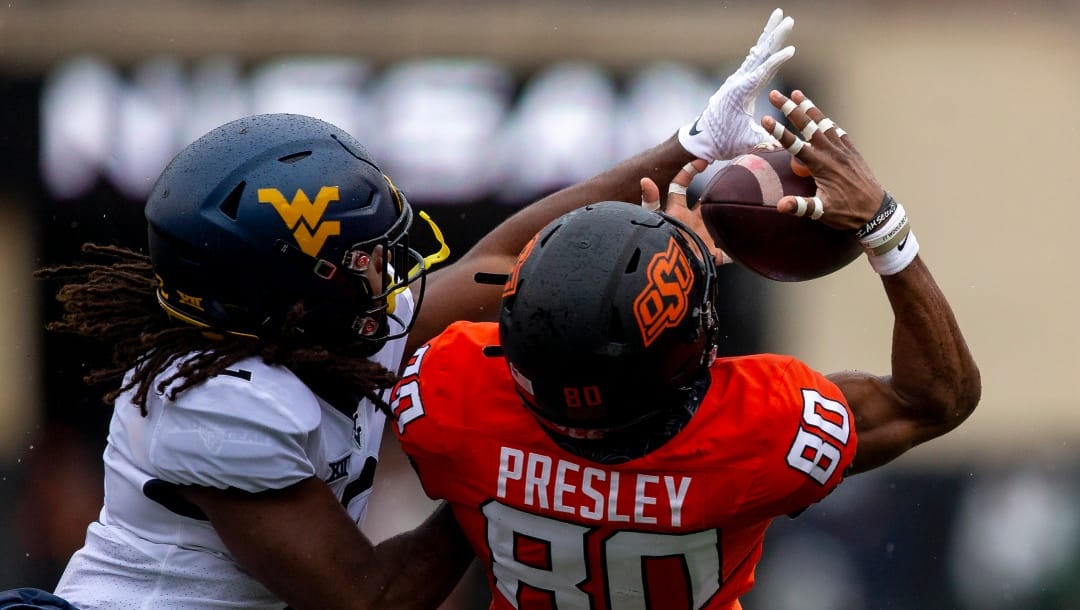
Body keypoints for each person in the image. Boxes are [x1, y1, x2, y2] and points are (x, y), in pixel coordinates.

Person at [10, 8, 801, 610]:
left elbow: (497, 264)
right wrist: (507, 465)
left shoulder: (297, 327)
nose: (384, 267)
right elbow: (373, 599)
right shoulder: (217, 404)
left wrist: (689, 148)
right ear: (288, 290)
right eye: (358, 258)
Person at [388, 87, 981, 610]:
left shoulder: (450, 392)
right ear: (685, 356)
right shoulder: (766, 428)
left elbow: (482, 269)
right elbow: (934, 400)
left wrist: (650, 245)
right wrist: (885, 227)